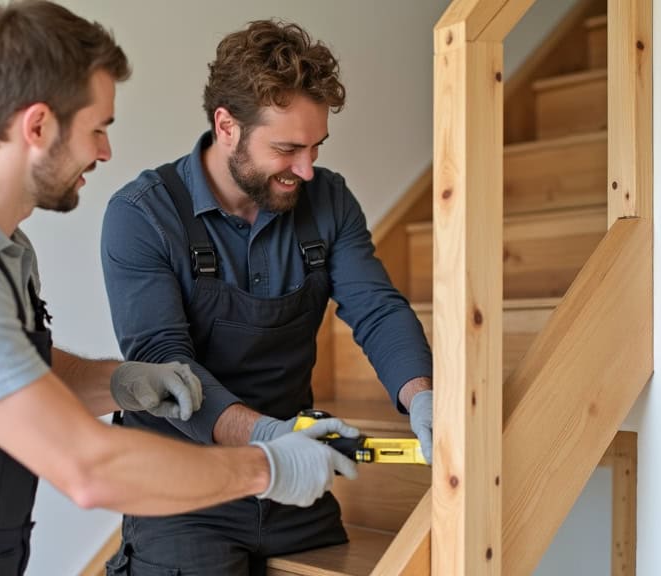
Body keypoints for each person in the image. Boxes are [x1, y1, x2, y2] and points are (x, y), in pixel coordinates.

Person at [0, 4, 360, 575]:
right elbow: (89, 469)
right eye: (97, 129)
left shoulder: (3, 248)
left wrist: (121, 383)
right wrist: (267, 466)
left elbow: (14, 370)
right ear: (38, 125)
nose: (105, 151)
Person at [100, 18, 435, 575]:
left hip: (294, 491)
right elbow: (163, 362)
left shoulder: (328, 200)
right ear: (226, 126)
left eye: (315, 147)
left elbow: (376, 309)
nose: (306, 169)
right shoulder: (142, 215)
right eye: (287, 149)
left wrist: (421, 396)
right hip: (185, 492)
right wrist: (271, 439)